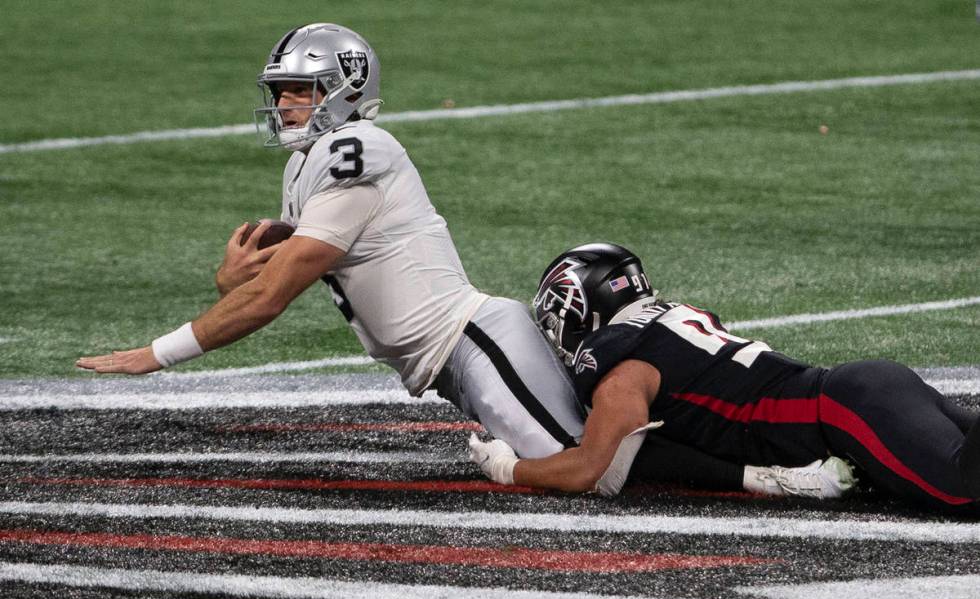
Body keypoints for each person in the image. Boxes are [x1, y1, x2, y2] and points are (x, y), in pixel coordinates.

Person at [75, 23, 846, 499]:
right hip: (457, 356)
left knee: (591, 469)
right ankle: (772, 454)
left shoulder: (360, 148)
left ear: (344, 89)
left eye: (300, 92)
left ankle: (781, 469)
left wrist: (159, 353)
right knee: (594, 449)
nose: (285, 106)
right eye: (281, 93)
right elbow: (266, 278)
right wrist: (229, 280)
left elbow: (277, 290)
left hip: (473, 340)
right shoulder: (311, 163)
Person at [469, 243, 980, 511]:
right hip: (864, 396)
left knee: (962, 490)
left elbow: (594, 470)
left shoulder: (619, 361)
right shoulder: (670, 320)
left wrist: (511, 470)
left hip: (850, 411)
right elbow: (652, 449)